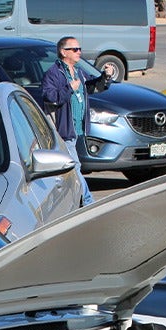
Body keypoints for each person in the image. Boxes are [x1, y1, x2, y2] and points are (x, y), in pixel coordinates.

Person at [41, 36, 114, 206]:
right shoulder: (53, 74)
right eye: (74, 49)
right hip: (64, 129)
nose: (79, 52)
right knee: (74, 167)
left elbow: (92, 87)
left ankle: (71, 201)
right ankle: (88, 203)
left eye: (79, 49)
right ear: (63, 52)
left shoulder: (79, 71)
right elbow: (50, 97)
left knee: (71, 168)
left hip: (78, 128)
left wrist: (106, 76)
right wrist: (68, 88)